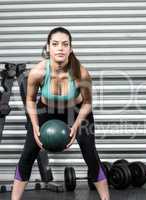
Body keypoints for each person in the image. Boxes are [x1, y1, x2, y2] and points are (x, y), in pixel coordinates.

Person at [11, 27, 110, 200]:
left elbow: (88, 103)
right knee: (27, 155)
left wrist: (77, 125)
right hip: (45, 111)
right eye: (55, 44)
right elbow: (30, 100)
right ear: (48, 47)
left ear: (71, 49)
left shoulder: (81, 73)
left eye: (65, 44)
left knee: (91, 154)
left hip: (77, 111)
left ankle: (105, 198)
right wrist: (34, 126)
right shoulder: (38, 72)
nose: (60, 48)